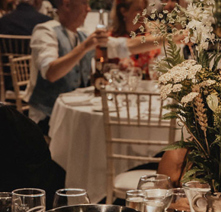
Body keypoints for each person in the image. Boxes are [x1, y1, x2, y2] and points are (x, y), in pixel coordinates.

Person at [25, 0, 162, 132]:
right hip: (47, 117)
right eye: (84, 3)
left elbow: (126, 45)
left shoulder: (82, 35)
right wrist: (84, 47)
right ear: (67, 4)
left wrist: (170, 39)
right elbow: (51, 73)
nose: (88, 9)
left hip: (75, 114)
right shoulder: (45, 31)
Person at [108, 0, 160, 76]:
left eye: (144, 9)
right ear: (123, 11)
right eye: (138, 9)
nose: (144, 14)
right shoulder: (110, 39)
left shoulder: (150, 38)